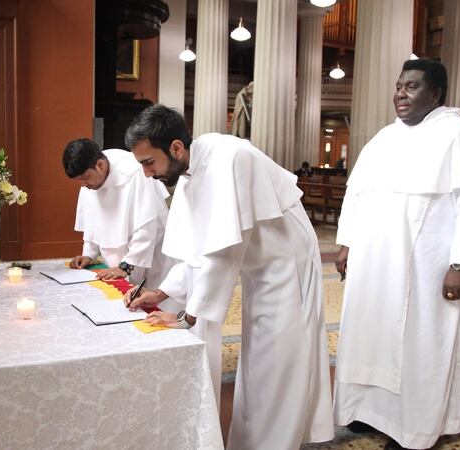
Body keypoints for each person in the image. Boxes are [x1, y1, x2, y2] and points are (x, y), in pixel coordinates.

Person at [123, 105, 334, 449]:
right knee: (257, 366)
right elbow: (199, 248)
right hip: (258, 266)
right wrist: (161, 292)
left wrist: (187, 315)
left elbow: (222, 252)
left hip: (285, 264)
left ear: (175, 148)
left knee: (279, 364)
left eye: (149, 163)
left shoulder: (228, 158)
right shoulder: (192, 171)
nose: (147, 174)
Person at [332, 59, 460, 450]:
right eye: (399, 86)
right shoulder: (382, 138)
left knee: (420, 342)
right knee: (369, 330)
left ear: (436, 94)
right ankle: (369, 410)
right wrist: (346, 243)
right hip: (374, 263)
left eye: (411, 87)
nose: (401, 94)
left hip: (426, 265)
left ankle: (413, 426)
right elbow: (357, 195)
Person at [62, 139, 178, 306]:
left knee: (157, 311)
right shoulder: (91, 181)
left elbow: (146, 230)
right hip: (118, 263)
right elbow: (93, 218)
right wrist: (89, 253)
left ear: (100, 165)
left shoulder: (135, 173)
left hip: (152, 257)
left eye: (85, 178)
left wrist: (126, 267)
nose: (83, 185)